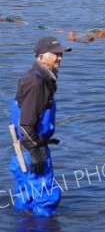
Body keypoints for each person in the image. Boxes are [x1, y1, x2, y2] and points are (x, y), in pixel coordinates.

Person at [9, 36, 71, 217]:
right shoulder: (37, 82)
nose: (60, 57)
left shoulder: (40, 77)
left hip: (24, 149)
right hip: (32, 149)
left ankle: (25, 227)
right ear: (42, 56)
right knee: (45, 198)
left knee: (26, 199)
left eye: (61, 54)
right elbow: (26, 123)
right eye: (56, 54)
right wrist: (37, 153)